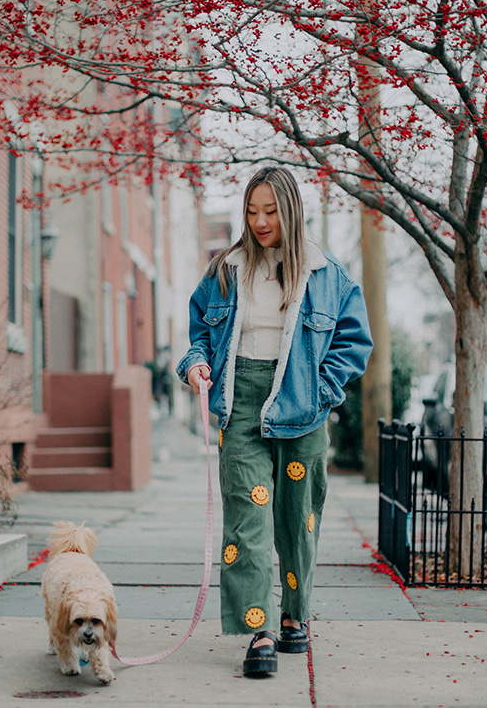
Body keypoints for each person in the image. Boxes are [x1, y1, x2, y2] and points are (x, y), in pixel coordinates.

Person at [176, 166, 372, 677]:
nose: (259, 222)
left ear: (291, 211)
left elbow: (354, 344)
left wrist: (322, 393)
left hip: (301, 405)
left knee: (297, 517)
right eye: (251, 211)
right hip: (238, 401)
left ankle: (295, 616)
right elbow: (199, 331)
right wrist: (196, 363)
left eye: (270, 211)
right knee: (249, 515)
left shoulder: (327, 275)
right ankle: (259, 630)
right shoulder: (226, 269)